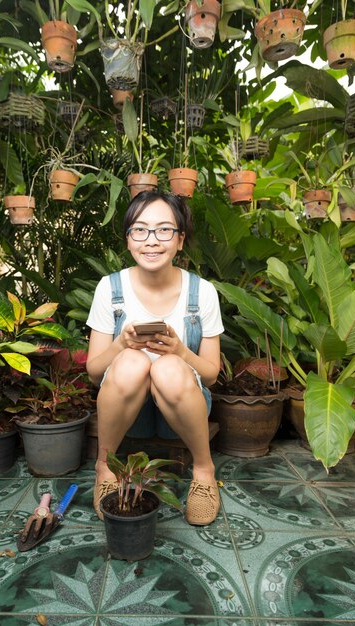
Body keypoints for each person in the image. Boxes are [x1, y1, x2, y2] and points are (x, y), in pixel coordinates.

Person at [86, 190, 224, 525]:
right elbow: (93, 372)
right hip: (126, 411)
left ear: (180, 240)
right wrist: (121, 345)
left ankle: (203, 470)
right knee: (133, 362)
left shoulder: (202, 292)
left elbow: (210, 375)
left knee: (169, 368)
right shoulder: (110, 288)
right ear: (128, 239)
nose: (152, 240)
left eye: (164, 230)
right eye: (140, 230)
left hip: (182, 407)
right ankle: (105, 466)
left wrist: (179, 351)